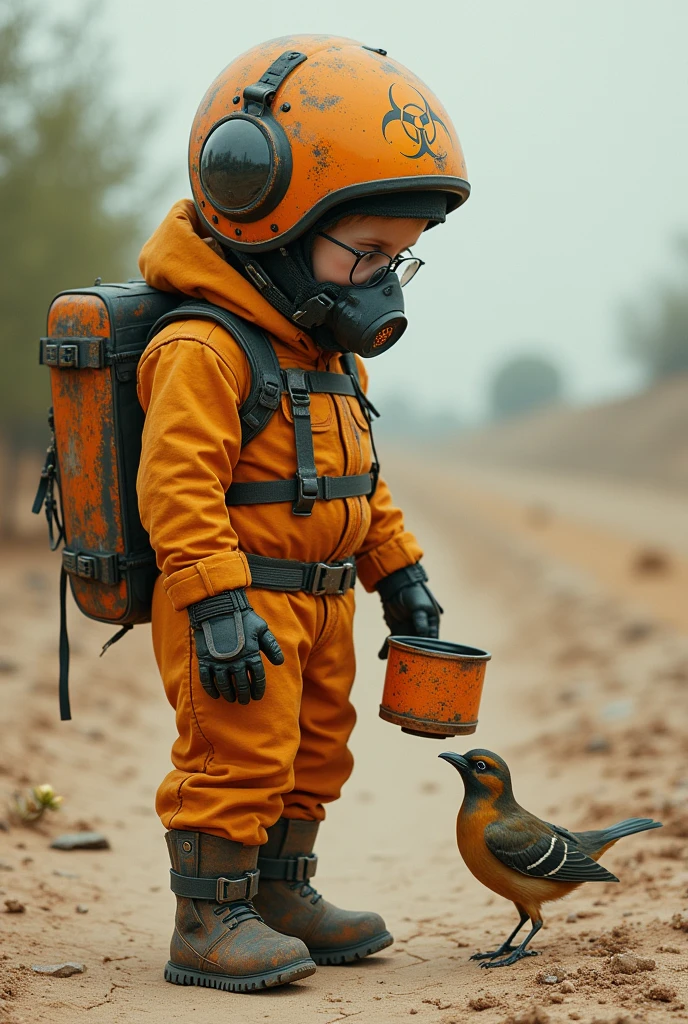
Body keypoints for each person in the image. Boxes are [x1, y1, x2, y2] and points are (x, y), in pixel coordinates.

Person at [136, 33, 470, 992]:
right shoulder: (206, 347)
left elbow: (362, 479)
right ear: (261, 210)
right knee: (234, 752)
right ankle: (207, 917)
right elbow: (179, 489)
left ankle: (279, 891)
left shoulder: (326, 354)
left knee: (315, 747)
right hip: (238, 602)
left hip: (322, 602)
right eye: (368, 254)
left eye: (401, 261)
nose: (382, 284)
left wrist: (397, 571)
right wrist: (212, 603)